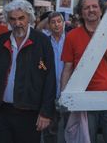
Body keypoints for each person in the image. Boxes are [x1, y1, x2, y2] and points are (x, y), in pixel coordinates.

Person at [0, 0, 56, 143]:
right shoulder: (0, 41)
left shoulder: (42, 42)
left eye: (21, 18)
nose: (17, 23)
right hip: (1, 111)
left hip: (29, 112)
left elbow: (50, 79)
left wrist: (46, 113)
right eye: (12, 19)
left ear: (29, 18)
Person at [60, 0, 107, 143]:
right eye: (86, 7)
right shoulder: (72, 36)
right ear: (81, 12)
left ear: (101, 10)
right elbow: (67, 69)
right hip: (83, 100)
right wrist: (64, 97)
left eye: (94, 6)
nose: (91, 10)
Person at [43, 11, 66, 143]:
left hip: (67, 91)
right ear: (49, 25)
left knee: (71, 128)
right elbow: (40, 63)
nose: (56, 25)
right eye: (53, 22)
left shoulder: (70, 40)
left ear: (63, 23)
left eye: (59, 21)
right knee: (50, 130)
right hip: (49, 93)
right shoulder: (44, 42)